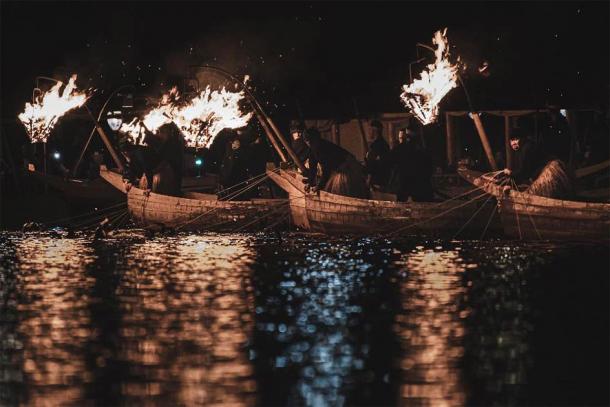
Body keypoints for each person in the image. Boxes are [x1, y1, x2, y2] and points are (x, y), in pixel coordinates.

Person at [502, 130, 573, 198]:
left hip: (548, 171)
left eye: (516, 139)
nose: (513, 143)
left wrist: (511, 173)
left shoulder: (527, 148)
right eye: (511, 140)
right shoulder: (521, 149)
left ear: (523, 139)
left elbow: (524, 172)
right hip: (539, 173)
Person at [303, 127, 368, 198]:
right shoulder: (312, 150)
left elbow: (326, 170)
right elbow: (312, 168)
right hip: (337, 169)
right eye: (308, 142)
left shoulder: (324, 148)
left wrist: (319, 186)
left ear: (317, 139)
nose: (310, 144)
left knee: (346, 192)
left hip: (347, 166)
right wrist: (309, 183)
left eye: (312, 142)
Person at [364, 120, 390, 189]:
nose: (368, 132)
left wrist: (369, 180)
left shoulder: (377, 146)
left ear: (374, 130)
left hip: (376, 182)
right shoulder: (384, 145)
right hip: (380, 180)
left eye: (369, 130)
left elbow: (372, 164)